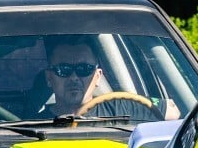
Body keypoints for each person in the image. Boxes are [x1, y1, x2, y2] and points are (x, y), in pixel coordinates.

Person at [34, 35, 163, 121]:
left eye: (84, 69)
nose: (74, 77)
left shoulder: (123, 109)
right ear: (49, 77)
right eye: (64, 70)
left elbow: (174, 111)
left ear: (97, 76)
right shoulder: (31, 126)